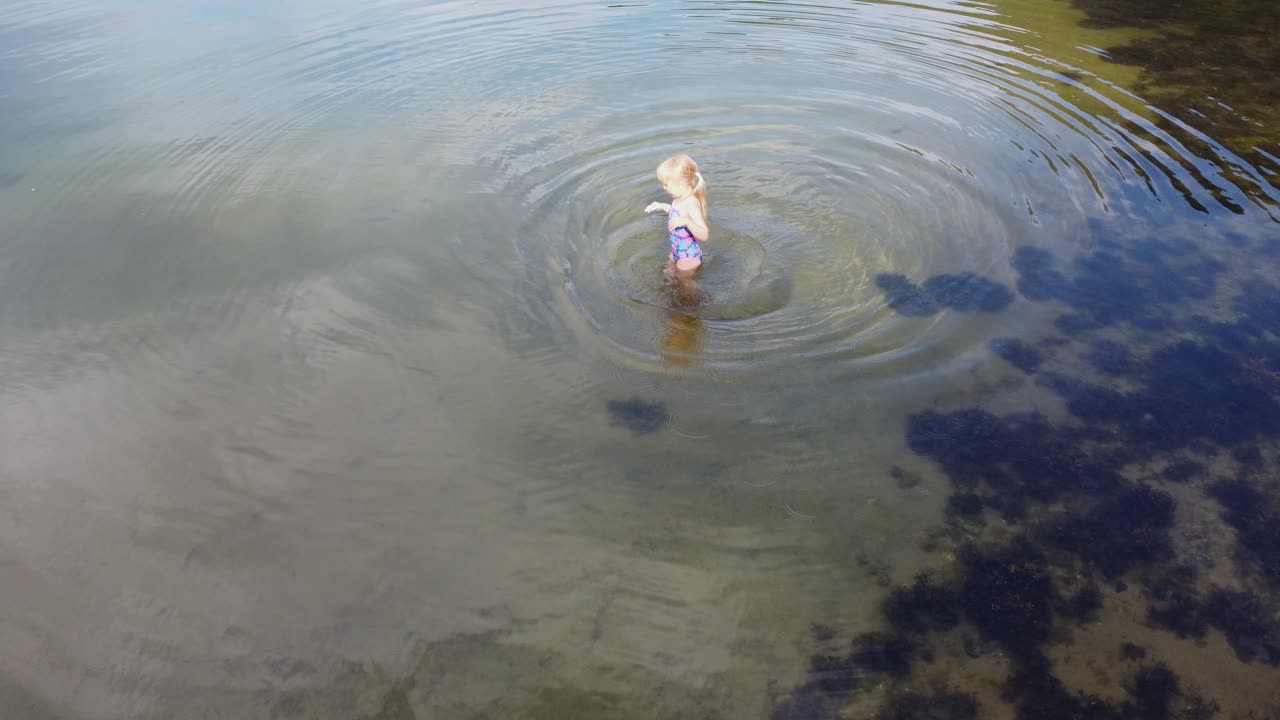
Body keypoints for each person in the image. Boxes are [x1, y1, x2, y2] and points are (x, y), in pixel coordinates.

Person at [644, 154, 709, 275]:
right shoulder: (678, 199)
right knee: (669, 279)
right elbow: (677, 213)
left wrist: (687, 221)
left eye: (666, 185)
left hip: (689, 257)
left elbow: (704, 235)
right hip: (677, 252)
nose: (664, 188)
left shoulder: (691, 204)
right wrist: (663, 206)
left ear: (680, 185)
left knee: (687, 292)